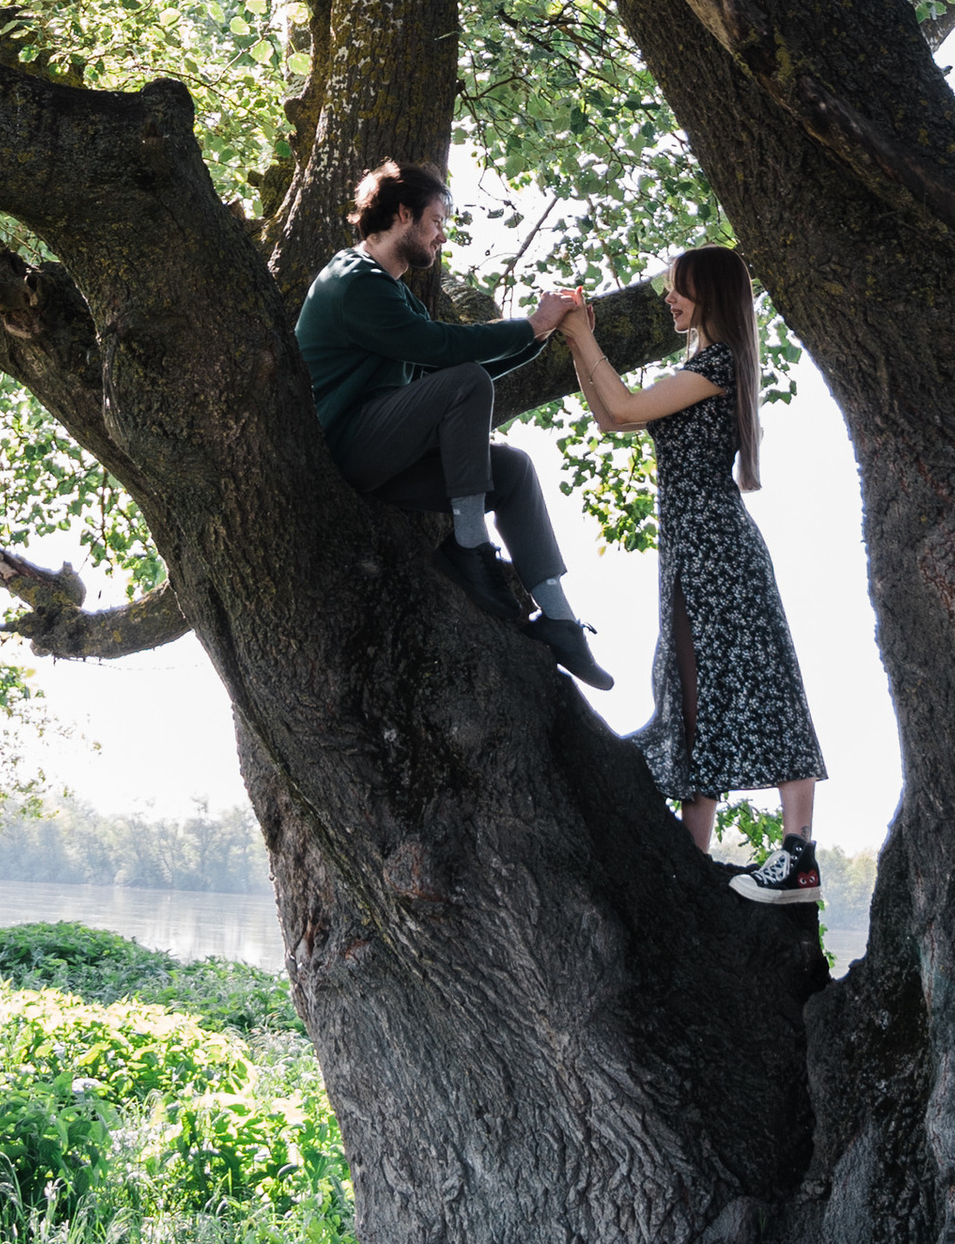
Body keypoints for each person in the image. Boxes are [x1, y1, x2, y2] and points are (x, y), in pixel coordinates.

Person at [556, 246, 828, 904]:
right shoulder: (699, 366)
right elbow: (610, 415)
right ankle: (691, 857)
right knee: (691, 697)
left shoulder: (718, 362)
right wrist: (575, 343)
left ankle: (799, 852)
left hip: (716, 548)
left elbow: (625, 409)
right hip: (690, 551)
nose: (669, 299)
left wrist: (585, 336)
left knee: (759, 680)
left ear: (710, 294)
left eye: (678, 288)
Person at [297, 158, 614, 690]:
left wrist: (538, 335)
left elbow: (438, 366)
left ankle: (560, 622)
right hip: (346, 446)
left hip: (385, 457)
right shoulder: (351, 279)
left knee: (511, 468)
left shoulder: (393, 293)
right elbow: (442, 351)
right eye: (437, 221)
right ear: (404, 213)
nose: (442, 235)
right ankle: (470, 546)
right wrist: (530, 323)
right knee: (466, 380)